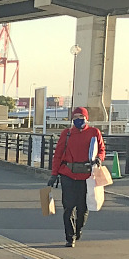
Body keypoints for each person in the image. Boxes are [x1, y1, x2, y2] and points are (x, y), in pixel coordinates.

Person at [49, 106, 105, 247]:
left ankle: (78, 229)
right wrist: (54, 174)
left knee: (83, 207)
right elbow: (58, 155)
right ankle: (70, 237)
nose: (78, 119)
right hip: (68, 174)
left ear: (86, 118)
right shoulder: (66, 134)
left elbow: (101, 149)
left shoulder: (94, 132)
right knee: (68, 207)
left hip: (86, 176)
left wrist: (99, 158)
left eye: (81, 117)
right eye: (75, 117)